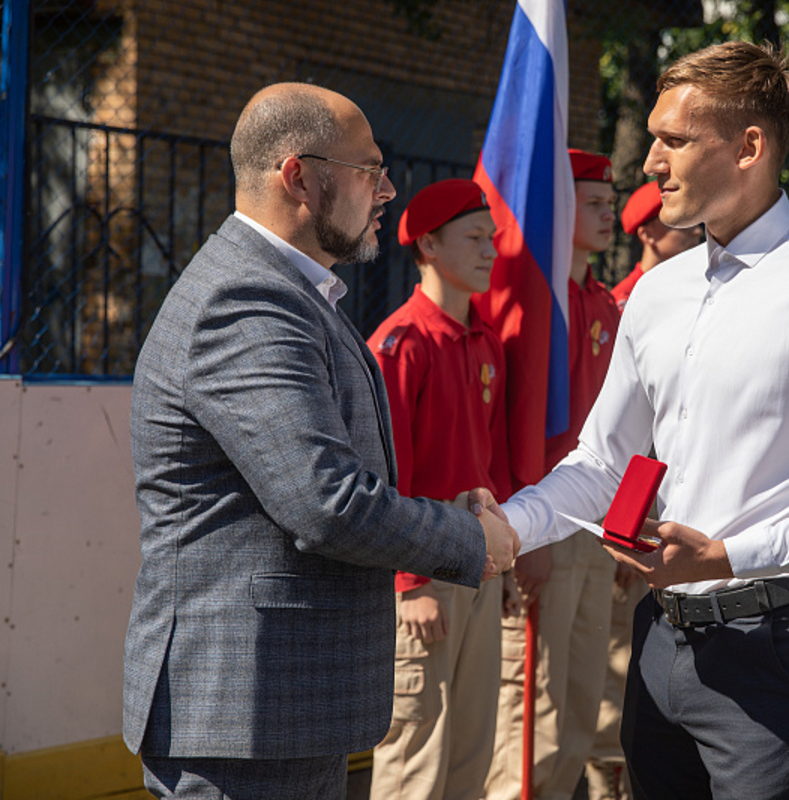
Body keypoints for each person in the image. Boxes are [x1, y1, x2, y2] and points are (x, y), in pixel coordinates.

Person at [494, 42, 789, 799]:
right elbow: (601, 463)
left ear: (750, 146)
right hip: (661, 640)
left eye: (674, 140)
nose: (650, 162)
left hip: (782, 649)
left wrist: (727, 556)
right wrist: (502, 530)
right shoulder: (657, 294)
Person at [123, 83, 518, 799]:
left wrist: (440, 512)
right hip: (244, 717)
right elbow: (325, 501)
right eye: (370, 171)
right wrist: (463, 537)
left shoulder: (292, 294)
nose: (389, 189)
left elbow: (329, 479)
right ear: (299, 176)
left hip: (279, 710)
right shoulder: (246, 299)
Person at [366, 179, 515, 800]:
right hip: (425, 566)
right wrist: (409, 586)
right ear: (428, 243)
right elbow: (382, 482)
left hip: (475, 562)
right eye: (475, 238)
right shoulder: (400, 345)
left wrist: (503, 561)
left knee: (473, 747)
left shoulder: (484, 341)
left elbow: (491, 465)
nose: (490, 252)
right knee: (416, 750)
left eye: (492, 239)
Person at [485, 150, 623, 800]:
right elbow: (514, 425)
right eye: (594, 202)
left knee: (578, 701)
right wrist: (527, 541)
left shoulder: (599, 301)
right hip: (547, 521)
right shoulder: (535, 306)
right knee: (532, 711)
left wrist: (623, 531)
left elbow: (623, 437)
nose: (610, 214)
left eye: (609, 201)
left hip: (596, 525)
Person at [584, 183, 704, 800]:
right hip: (630, 519)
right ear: (651, 233)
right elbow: (628, 439)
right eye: (686, 229)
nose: (702, 235)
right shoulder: (633, 303)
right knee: (612, 674)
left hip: (659, 524)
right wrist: (629, 522)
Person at [609, 180, 703, 312]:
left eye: (695, 221)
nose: (697, 231)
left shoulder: (699, 286)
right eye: (682, 224)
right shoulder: (625, 301)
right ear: (646, 235)